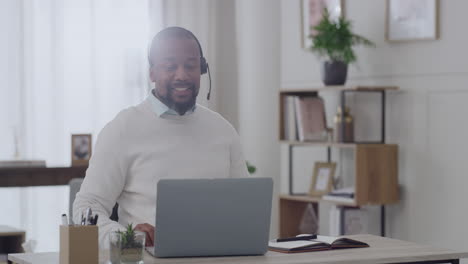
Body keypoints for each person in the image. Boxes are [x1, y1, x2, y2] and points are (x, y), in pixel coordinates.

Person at [73, 27, 249, 247]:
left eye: (191, 66)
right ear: (152, 73)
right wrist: (128, 239)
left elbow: (245, 208)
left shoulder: (223, 130)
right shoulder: (123, 128)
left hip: (215, 257)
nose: (182, 75)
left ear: (202, 69)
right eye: (170, 66)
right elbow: (87, 209)